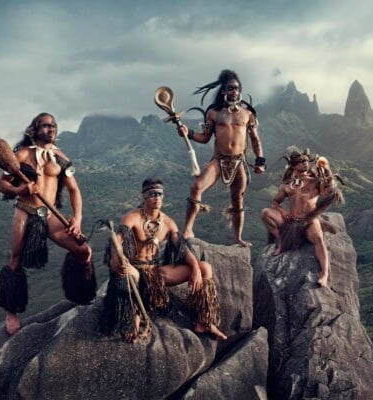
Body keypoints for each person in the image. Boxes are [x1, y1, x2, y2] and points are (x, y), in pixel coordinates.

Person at [0, 112, 94, 335]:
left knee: (83, 251)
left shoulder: (61, 158)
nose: (51, 129)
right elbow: (1, 185)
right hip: (25, 210)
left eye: (54, 126)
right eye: (46, 126)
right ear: (34, 130)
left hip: (50, 214)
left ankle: (80, 295)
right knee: (16, 260)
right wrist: (21, 189)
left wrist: (77, 219)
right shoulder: (19, 155)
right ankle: (12, 310)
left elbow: (74, 190)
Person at [100, 178, 227, 343]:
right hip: (135, 268)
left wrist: (195, 268)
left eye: (159, 194)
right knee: (130, 274)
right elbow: (116, 241)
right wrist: (117, 260)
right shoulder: (132, 218)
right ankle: (134, 317)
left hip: (155, 271)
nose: (156, 197)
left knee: (205, 268)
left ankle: (204, 322)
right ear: (144, 196)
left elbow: (182, 249)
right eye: (152, 194)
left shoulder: (168, 223)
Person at [176, 69, 265, 247]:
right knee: (196, 187)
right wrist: (189, 133)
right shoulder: (214, 113)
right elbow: (205, 137)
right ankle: (188, 230)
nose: (234, 91)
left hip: (239, 161)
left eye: (237, 88)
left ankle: (238, 238)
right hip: (219, 159)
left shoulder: (248, 114)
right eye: (230, 88)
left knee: (237, 200)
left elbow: (255, 140)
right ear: (223, 91)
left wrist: (260, 161)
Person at [261, 149, 344, 287]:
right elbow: (275, 202)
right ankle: (281, 243)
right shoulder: (287, 185)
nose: (305, 163)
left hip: (309, 220)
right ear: (293, 166)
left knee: (318, 238)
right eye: (301, 161)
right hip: (291, 220)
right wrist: (283, 211)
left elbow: (326, 191)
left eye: (306, 160)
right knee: (266, 213)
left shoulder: (315, 181)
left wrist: (327, 170)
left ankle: (324, 273)